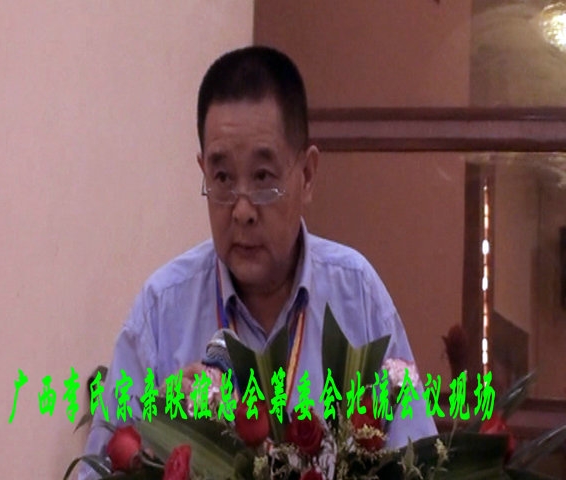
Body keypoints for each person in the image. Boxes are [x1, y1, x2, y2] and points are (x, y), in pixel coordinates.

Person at [80, 45, 436, 478]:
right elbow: (99, 469)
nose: (242, 209)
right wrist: (160, 429)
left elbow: (421, 466)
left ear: (307, 175)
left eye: (263, 177)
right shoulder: (161, 309)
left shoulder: (356, 294)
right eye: (222, 178)